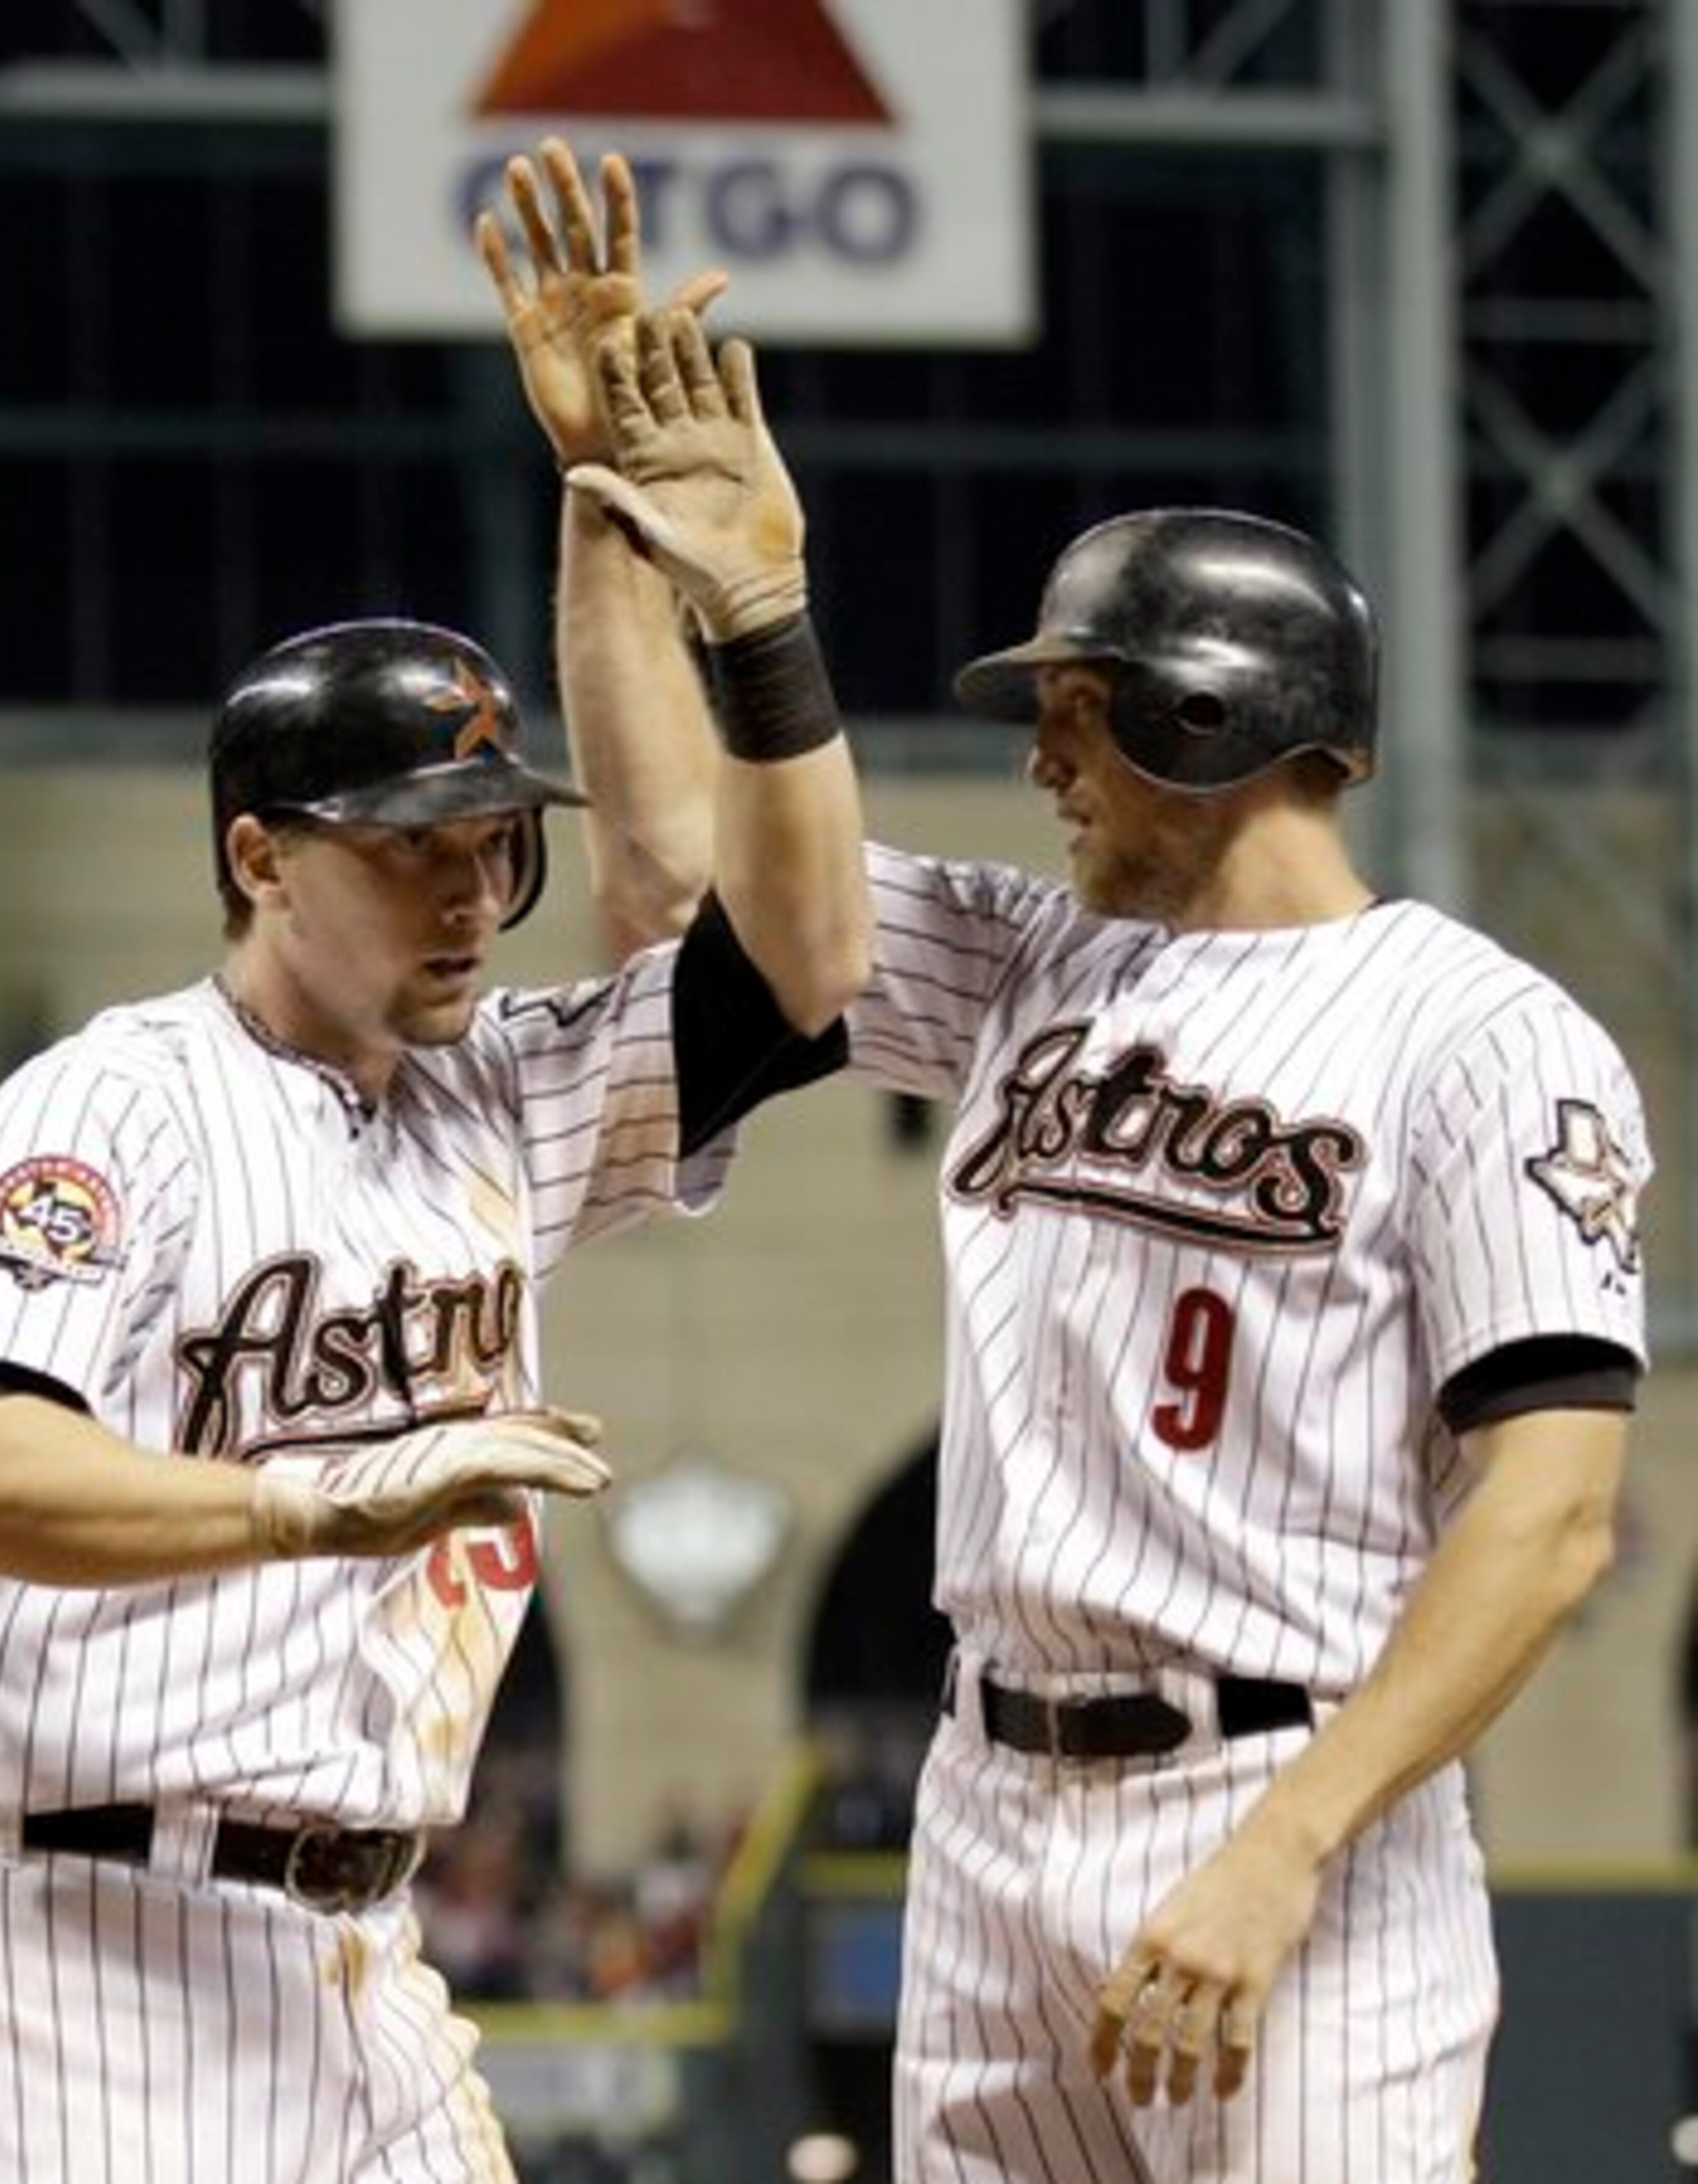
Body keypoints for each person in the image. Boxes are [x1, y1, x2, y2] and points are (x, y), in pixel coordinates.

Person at [481, 139, 1653, 2184]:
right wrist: (619, 537)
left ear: (1218, 716)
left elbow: (1548, 1523)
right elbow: (689, 893)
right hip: (989, 1797)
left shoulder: (1487, 1037)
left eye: (1082, 710)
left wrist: (1290, 1848)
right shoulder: (1038, 956)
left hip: (1291, 1792)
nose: (1044, 753)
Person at [0, 326, 870, 2182]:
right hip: (65, 1952)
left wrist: (670, 566)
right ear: (258, 855)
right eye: (413, 850)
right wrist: (315, 1505)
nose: (474, 891)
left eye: (492, 844)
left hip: (352, 1954)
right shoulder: (111, 1110)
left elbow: (777, 956)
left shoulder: (503, 1099)